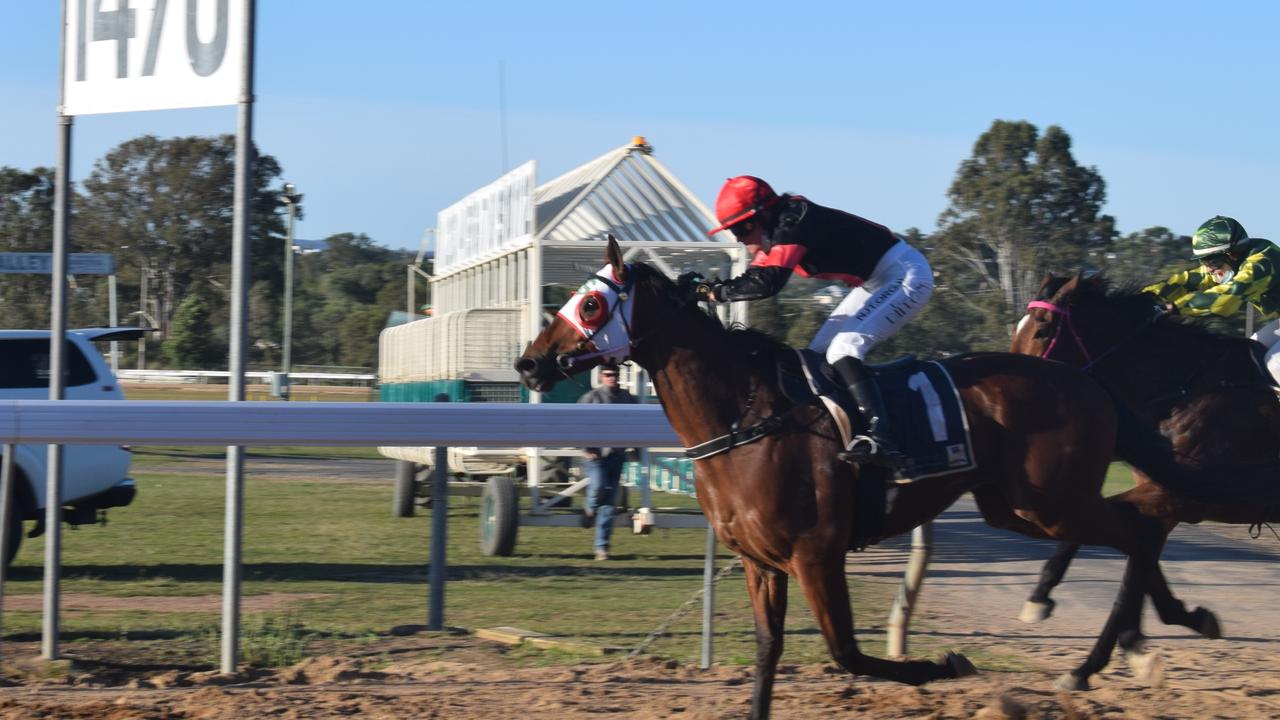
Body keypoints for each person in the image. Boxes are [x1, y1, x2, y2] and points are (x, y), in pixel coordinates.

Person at [699, 175, 934, 467]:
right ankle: (850, 430)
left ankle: (883, 439)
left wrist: (712, 292)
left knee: (844, 349)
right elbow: (753, 279)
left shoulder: (794, 223)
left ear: (762, 216)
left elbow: (768, 284)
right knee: (819, 354)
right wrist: (706, 288)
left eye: (739, 228)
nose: (737, 238)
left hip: (906, 274)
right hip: (876, 280)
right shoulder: (778, 228)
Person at [1144, 215, 1280, 384]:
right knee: (1250, 353)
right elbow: (1185, 281)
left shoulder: (1262, 262)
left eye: (1210, 260)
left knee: (1276, 365)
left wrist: (1174, 307)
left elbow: (1227, 297)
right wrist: (1144, 298)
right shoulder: (1232, 263)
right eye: (1203, 261)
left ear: (1232, 254)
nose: (1207, 268)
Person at [577, 365, 636, 561]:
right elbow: (576, 423)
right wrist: (585, 449)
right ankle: (589, 508)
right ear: (602, 376)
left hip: (616, 455)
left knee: (610, 504)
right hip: (595, 455)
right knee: (599, 486)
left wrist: (634, 448)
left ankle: (602, 548)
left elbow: (637, 423)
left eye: (615, 375)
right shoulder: (591, 397)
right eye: (609, 375)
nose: (613, 378)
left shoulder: (627, 398)